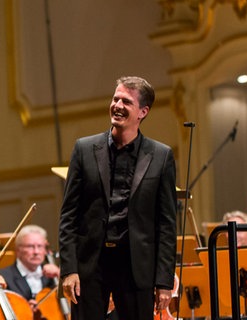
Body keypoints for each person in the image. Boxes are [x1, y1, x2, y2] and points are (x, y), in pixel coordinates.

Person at [59, 76, 177, 320]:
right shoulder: (84, 149)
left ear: (143, 111)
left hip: (136, 267)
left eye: (126, 101)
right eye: (115, 99)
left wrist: (164, 281)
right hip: (91, 265)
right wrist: (69, 270)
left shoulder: (161, 156)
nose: (117, 106)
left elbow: (166, 225)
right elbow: (68, 216)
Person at [0, 225, 60, 314]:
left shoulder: (54, 276)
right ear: (18, 250)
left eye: (40, 246)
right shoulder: (2, 277)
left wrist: (60, 275)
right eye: (30, 246)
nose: (36, 252)